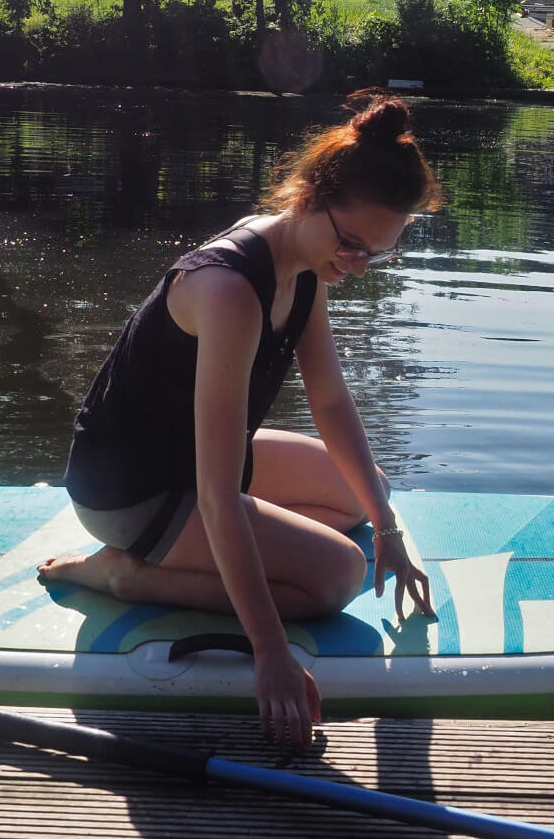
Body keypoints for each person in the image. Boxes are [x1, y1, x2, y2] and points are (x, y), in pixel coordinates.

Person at [40, 92, 440, 747]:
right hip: (132, 494)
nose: (358, 264)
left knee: (366, 495)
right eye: (351, 244)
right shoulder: (228, 290)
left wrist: (389, 529)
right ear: (310, 196)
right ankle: (123, 574)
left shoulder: (307, 262)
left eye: (376, 253)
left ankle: (233, 551)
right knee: (337, 576)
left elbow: (331, 401)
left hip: (196, 464)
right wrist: (270, 653)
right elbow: (219, 495)